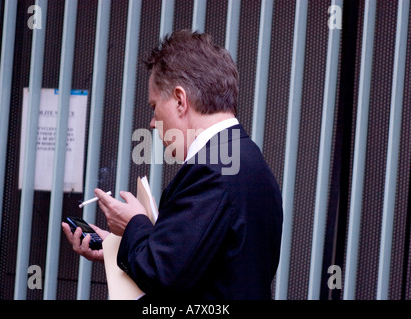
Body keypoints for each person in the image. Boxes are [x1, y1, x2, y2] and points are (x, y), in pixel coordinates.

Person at [62, 29, 283, 300]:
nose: (152, 123)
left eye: (154, 106)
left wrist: (134, 224)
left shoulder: (213, 170)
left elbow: (162, 274)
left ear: (180, 100)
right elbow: (198, 262)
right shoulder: (246, 158)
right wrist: (115, 245)